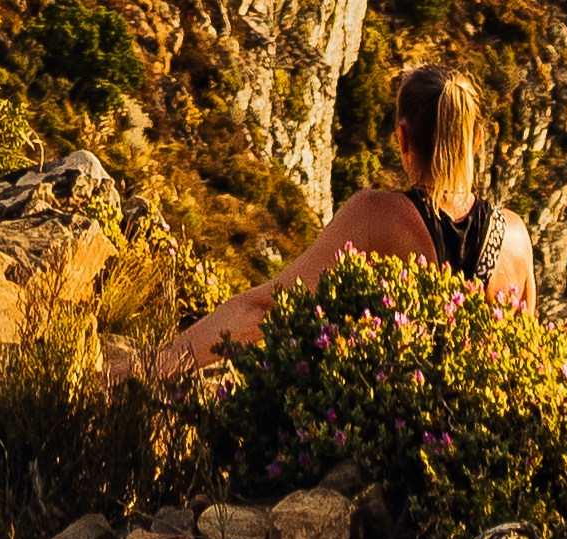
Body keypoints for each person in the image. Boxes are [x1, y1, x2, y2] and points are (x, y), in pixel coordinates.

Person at [159, 51, 537, 372]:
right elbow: (529, 363)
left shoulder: (374, 216)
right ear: (477, 139)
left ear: (403, 137)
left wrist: (156, 364)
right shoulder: (516, 238)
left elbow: (265, 308)